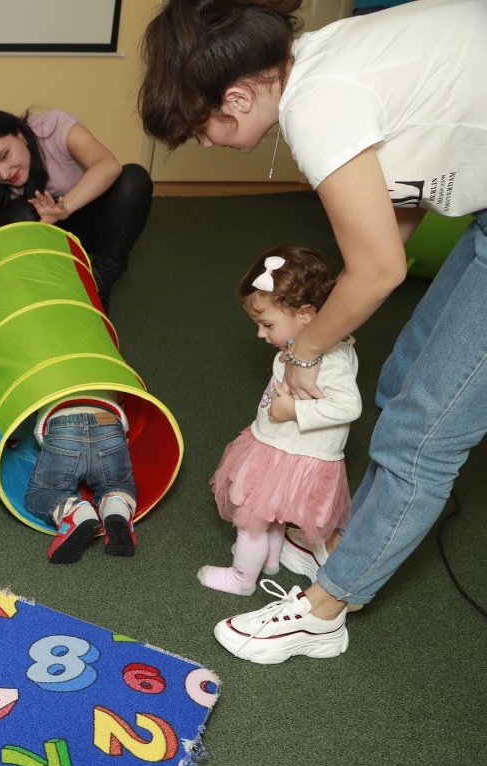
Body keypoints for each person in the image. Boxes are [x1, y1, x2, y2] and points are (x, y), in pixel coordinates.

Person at [138, 0, 487, 664]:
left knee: (422, 438)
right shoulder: (320, 56)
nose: (207, 144)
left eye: (202, 129)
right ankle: (331, 532)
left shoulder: (318, 105)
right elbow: (395, 211)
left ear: (237, 96)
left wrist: (306, 348)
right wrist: (341, 301)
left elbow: (380, 268)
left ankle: (326, 609)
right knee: (405, 370)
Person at [196, 245, 360, 597]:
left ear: (306, 314)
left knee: (251, 520)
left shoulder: (332, 361)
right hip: (278, 446)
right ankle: (269, 559)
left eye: (266, 324)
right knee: (269, 512)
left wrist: (293, 412)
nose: (260, 334)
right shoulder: (301, 345)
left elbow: (350, 407)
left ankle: (242, 579)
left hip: (290, 454)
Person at [0, 107, 153, 310]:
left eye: (4, 156)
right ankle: (48, 291)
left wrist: (64, 207)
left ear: (20, 135)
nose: (3, 174)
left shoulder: (52, 126)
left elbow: (108, 165)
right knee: (19, 216)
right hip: (51, 238)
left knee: (134, 179)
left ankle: (98, 286)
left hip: (93, 220)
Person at [25, 392, 139, 564]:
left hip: (62, 426)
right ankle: (116, 506)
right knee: (119, 484)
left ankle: (73, 511)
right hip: (108, 421)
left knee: (43, 492)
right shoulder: (108, 368)